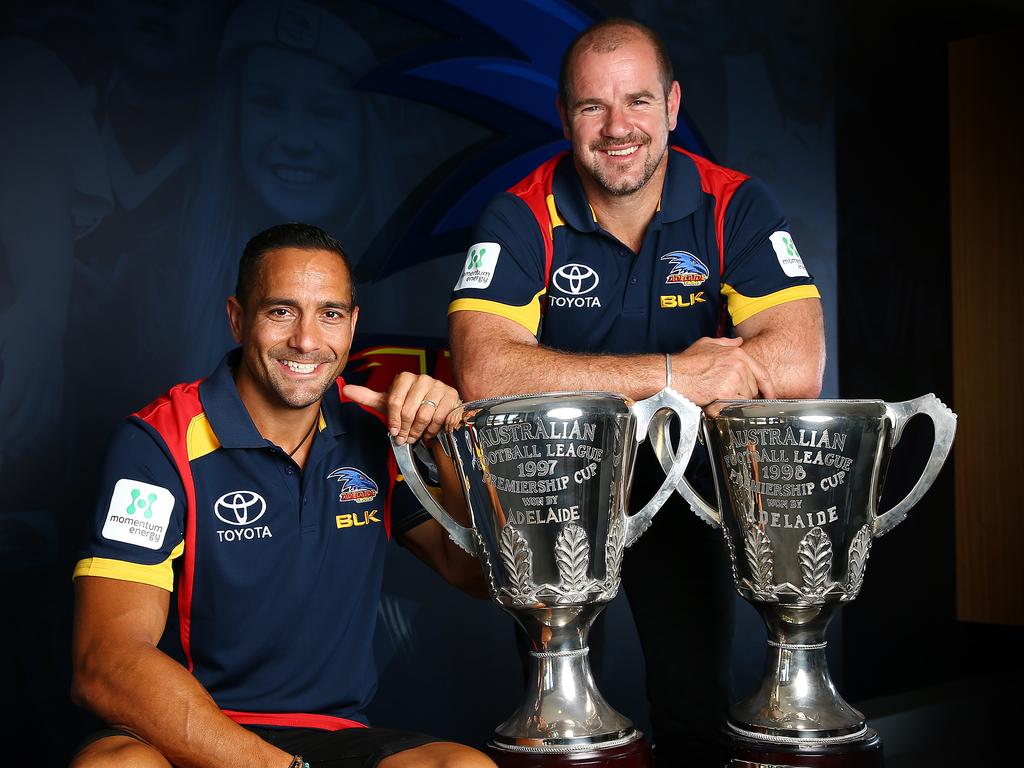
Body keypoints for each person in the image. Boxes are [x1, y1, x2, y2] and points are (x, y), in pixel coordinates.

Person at [447, 18, 825, 767]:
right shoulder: (520, 214)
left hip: (682, 481)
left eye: (638, 102)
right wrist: (675, 373)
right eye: (593, 107)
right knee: (559, 719)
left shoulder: (734, 205)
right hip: (556, 483)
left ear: (674, 105)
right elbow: (485, 370)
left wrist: (580, 375)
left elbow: (798, 363)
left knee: (694, 705)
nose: (618, 128)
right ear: (564, 117)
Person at [70, 223, 495, 768]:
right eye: (281, 311)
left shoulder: (377, 430)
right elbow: (104, 659)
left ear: (352, 324)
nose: (308, 340)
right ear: (237, 317)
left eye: (330, 314)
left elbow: (476, 574)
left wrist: (448, 446)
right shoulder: (159, 442)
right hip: (186, 733)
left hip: (333, 736)